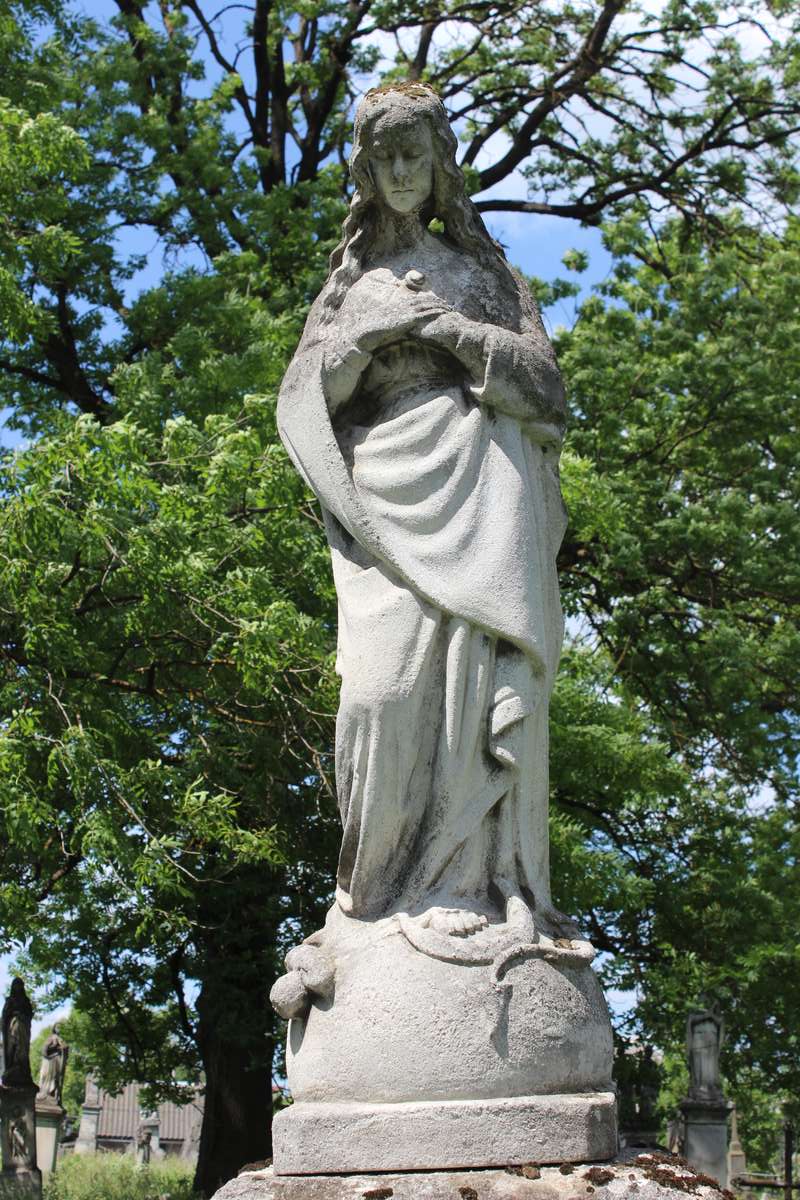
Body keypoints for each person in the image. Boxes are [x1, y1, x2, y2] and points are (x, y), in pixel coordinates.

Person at [278, 82, 568, 948]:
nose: (402, 169)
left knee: (477, 700)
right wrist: (365, 341)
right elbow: (302, 401)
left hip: (481, 489)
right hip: (383, 503)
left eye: (416, 152)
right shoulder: (347, 286)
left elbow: (548, 391)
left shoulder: (483, 274)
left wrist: (454, 334)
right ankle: (371, 907)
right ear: (366, 169)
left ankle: (476, 887)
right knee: (381, 695)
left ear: (440, 162)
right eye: (386, 155)